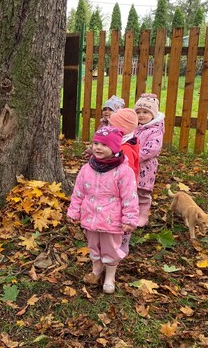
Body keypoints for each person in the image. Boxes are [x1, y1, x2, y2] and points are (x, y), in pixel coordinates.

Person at [67, 126, 139, 294]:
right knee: (93, 245)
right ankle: (96, 270)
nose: (98, 147)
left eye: (104, 145)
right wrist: (74, 211)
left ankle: (110, 276)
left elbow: (130, 197)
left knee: (110, 248)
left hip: (111, 220)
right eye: (96, 143)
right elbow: (78, 192)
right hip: (90, 217)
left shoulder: (123, 172)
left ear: (114, 148)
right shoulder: (86, 169)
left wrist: (129, 219)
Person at [107, 108, 140, 255]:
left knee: (123, 215)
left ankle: (123, 242)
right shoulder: (122, 142)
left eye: (111, 125)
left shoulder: (125, 148)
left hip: (124, 189)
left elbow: (129, 171)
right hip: (118, 186)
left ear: (122, 130)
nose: (108, 128)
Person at [133, 93, 165, 227]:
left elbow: (153, 149)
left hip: (146, 167)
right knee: (131, 190)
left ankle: (143, 215)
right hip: (132, 166)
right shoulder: (135, 128)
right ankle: (132, 213)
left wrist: (134, 155)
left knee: (143, 192)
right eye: (138, 112)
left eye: (145, 112)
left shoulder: (155, 130)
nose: (141, 115)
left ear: (153, 114)